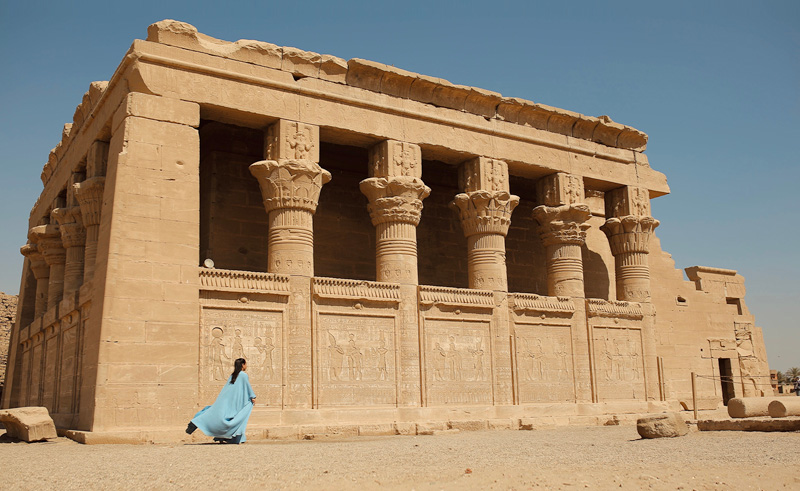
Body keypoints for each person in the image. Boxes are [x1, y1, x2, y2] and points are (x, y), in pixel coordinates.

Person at [186, 358, 256, 444]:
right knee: (238, 417)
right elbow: (247, 386)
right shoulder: (243, 375)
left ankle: (199, 421)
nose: (246, 366)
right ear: (243, 365)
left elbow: (228, 388)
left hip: (228, 399)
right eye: (245, 364)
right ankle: (230, 436)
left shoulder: (233, 375)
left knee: (221, 415)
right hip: (236, 401)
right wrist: (253, 396)